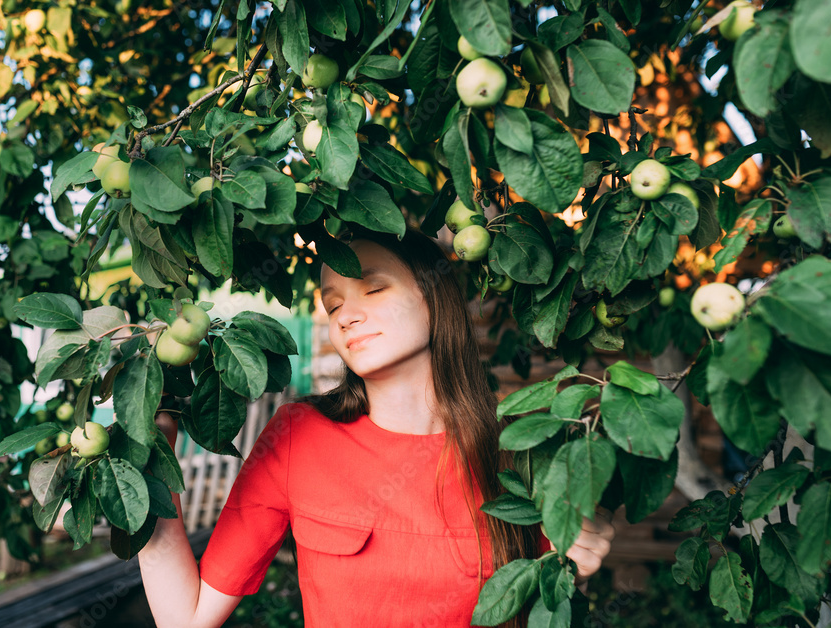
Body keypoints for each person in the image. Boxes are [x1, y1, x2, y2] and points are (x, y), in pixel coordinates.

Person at [139, 228, 615, 628]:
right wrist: (150, 451)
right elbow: (186, 618)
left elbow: (545, 593)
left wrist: (578, 558)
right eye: (332, 306)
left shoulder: (518, 448)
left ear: (433, 298)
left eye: (373, 288)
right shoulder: (298, 436)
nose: (346, 316)